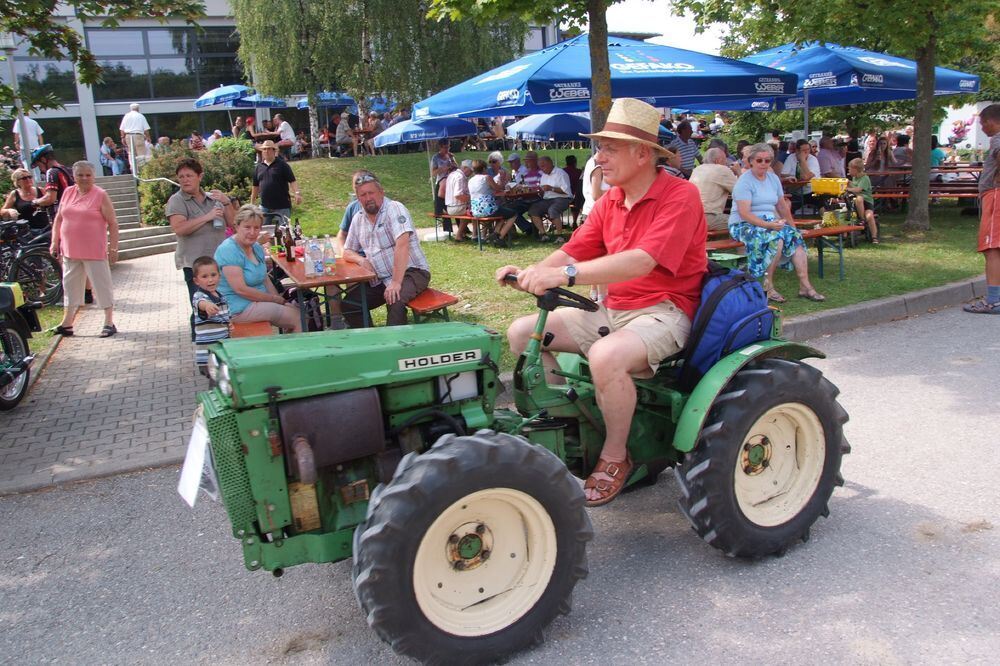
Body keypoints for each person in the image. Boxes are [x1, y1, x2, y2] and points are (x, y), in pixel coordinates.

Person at [496, 98, 707, 506]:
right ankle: (567, 428)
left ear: (642, 153)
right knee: (523, 333)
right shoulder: (612, 200)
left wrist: (565, 276)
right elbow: (575, 249)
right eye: (600, 147)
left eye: (610, 147)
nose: (599, 157)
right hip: (612, 310)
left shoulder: (681, 197)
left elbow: (642, 260)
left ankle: (615, 455)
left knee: (606, 356)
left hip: (665, 311)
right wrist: (531, 273)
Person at [730, 143, 824, 304]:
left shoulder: (773, 179)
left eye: (768, 161)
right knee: (777, 238)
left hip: (769, 222)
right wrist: (768, 225)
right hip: (743, 224)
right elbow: (744, 213)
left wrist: (793, 228)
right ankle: (768, 286)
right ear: (751, 161)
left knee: (795, 238)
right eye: (759, 160)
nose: (763, 164)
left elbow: (781, 206)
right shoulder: (744, 182)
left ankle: (805, 286)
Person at [342, 172, 431, 327]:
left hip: (412, 272)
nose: (368, 198)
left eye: (371, 193)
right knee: (350, 304)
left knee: (394, 299)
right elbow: (347, 251)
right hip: (381, 279)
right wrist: (361, 259)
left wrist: (396, 282)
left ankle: (395, 347)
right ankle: (371, 344)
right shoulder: (358, 218)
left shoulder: (394, 209)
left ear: (381, 193)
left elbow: (402, 245)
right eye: (363, 195)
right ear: (358, 198)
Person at [166, 157, 238, 338]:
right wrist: (208, 217)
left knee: (221, 304)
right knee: (201, 306)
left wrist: (227, 202)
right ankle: (201, 345)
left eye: (189, 175)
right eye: (181, 177)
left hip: (219, 262)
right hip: (195, 265)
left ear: (200, 176)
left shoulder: (213, 199)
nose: (184, 180)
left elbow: (234, 224)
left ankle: (223, 338)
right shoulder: (177, 201)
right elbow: (180, 228)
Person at [48, 161, 119, 338]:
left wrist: (113, 248)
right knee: (70, 286)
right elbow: (58, 219)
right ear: (74, 176)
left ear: (93, 176)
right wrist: (54, 241)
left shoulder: (100, 194)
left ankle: (109, 322)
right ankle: (67, 323)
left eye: (88, 175)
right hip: (70, 250)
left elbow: (112, 222)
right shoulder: (68, 192)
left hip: (94, 250)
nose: (85, 178)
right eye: (80, 175)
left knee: (102, 285)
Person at [216, 205, 301, 332]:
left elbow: (265, 279)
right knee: (297, 318)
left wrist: (280, 300)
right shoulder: (228, 250)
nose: (252, 232)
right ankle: (296, 350)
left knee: (298, 310)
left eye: (256, 228)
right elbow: (241, 290)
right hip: (237, 308)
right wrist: (273, 299)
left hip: (256, 302)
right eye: (247, 227)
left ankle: (287, 347)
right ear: (236, 226)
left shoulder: (256, 247)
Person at [963, 104, 1000, 315]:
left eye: (983, 123)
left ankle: (994, 300)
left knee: (992, 247)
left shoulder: (998, 139)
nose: (983, 128)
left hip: (995, 195)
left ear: (991, 121)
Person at [190, 255, 231, 373]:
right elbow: (200, 303)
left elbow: (226, 317)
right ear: (196, 281)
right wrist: (207, 306)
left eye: (213, 275)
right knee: (216, 383)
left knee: (225, 381)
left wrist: (230, 324)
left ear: (219, 275)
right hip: (208, 354)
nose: (210, 280)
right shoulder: (199, 296)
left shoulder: (221, 296)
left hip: (222, 349)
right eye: (204, 276)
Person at [251, 140, 301, 229]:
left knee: (284, 231)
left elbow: (292, 181)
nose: (266, 151)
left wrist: (297, 194)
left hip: (282, 206)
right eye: (264, 149)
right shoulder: (258, 167)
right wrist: (252, 202)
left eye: (269, 149)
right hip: (264, 206)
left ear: (274, 151)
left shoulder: (282, 165)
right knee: (263, 231)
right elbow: (255, 186)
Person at [468, 159, 519, 247]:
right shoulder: (486, 178)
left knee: (502, 215)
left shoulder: (471, 180)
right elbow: (498, 188)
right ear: (484, 169)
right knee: (513, 214)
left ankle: (495, 233)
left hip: (476, 210)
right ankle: (500, 237)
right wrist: (502, 179)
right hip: (487, 209)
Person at [690, 147, 739, 231]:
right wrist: (738, 172)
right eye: (725, 160)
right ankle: (736, 244)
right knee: (745, 221)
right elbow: (741, 192)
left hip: (691, 216)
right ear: (718, 161)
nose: (726, 162)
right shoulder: (722, 169)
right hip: (707, 217)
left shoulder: (697, 169)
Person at [528, 155, 574, 239]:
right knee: (533, 210)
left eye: (543, 166)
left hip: (563, 198)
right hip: (548, 199)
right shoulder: (544, 175)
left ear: (550, 163)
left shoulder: (561, 173)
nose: (541, 169)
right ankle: (543, 234)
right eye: (540, 167)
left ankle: (559, 236)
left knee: (552, 210)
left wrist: (551, 188)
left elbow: (566, 191)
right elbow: (543, 191)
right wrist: (539, 191)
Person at [29, 145, 74, 224]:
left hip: (64, 218)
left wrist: (35, 202)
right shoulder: (68, 170)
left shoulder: (51, 172)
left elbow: (50, 198)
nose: (40, 169)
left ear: (43, 159)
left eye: (39, 165)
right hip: (74, 214)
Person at [845, 158, 878, 244]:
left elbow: (858, 189)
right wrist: (848, 182)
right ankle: (845, 234)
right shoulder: (855, 178)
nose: (848, 171)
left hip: (866, 203)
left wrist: (848, 188)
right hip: (855, 203)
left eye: (850, 169)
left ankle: (874, 236)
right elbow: (854, 185)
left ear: (855, 169)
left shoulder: (865, 178)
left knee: (869, 216)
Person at [444, 159, 472, 239]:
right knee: (473, 211)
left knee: (471, 210)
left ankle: (462, 234)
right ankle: (461, 235)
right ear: (465, 168)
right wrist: (470, 199)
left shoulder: (452, 174)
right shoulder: (460, 177)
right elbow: (458, 195)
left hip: (450, 207)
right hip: (456, 207)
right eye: (471, 171)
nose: (471, 173)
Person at [119, 103, 151, 172]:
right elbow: (146, 129)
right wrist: (148, 137)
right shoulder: (140, 116)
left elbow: (122, 129)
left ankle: (133, 169)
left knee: (131, 153)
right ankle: (142, 170)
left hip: (128, 135)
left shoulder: (126, 116)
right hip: (138, 135)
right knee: (141, 153)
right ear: (138, 109)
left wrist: (122, 137)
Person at [563, 155, 584, 225]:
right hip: (576, 196)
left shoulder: (562, 171)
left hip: (564, 195)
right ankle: (575, 221)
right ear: (575, 162)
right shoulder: (579, 172)